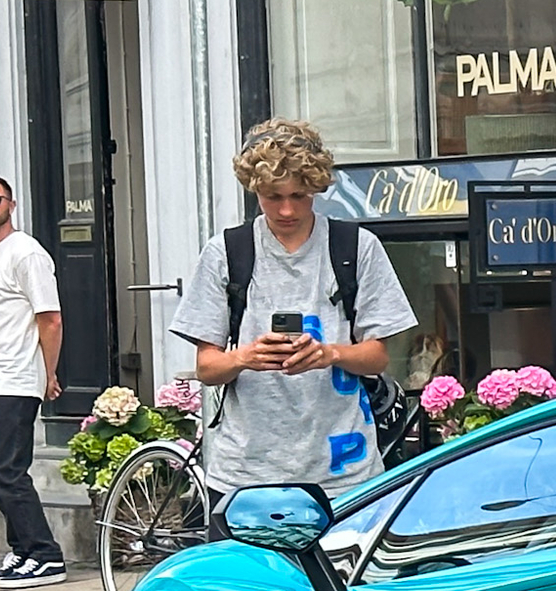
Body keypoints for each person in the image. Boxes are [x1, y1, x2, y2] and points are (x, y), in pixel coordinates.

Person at [170, 121, 416, 496]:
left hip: (344, 474)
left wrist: (329, 353)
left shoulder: (355, 247)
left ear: (317, 187)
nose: (286, 210)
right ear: (254, 189)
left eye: (299, 196)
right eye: (272, 196)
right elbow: (208, 368)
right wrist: (247, 357)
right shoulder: (226, 252)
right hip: (245, 476)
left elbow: (378, 358)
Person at [0, 175, 67, 587]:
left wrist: (49, 373)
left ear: (11, 204)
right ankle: (22, 550)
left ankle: (46, 555)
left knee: (9, 471)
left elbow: (51, 317)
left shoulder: (26, 253)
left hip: (16, 377)